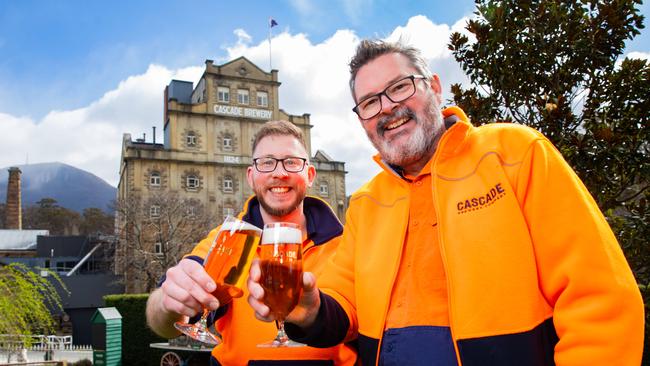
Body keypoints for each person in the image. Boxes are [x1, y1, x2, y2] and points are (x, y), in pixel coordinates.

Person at [247, 40, 645, 365]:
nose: (386, 107)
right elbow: (343, 305)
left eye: (400, 87)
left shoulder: (515, 154)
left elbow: (598, 300)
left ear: (435, 87)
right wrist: (310, 310)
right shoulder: (368, 202)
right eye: (369, 103)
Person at [146, 120, 357, 365]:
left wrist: (315, 313)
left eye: (291, 161)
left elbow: (361, 321)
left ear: (309, 175)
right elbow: (164, 321)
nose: (279, 173)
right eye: (267, 163)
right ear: (251, 176)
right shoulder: (230, 238)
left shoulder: (346, 241)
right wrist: (167, 301)